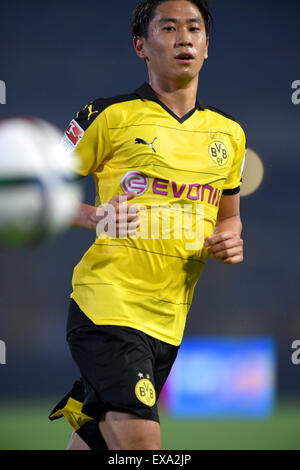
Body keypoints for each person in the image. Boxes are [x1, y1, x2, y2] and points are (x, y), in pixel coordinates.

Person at [49, 0, 246, 450]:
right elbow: (34, 195)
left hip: (168, 323)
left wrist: (231, 239)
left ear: (207, 46)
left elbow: (230, 218)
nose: (184, 38)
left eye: (194, 28)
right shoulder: (106, 115)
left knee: (98, 443)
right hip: (109, 308)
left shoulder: (229, 134)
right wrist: (94, 215)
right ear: (141, 45)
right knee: (143, 447)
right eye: (169, 28)